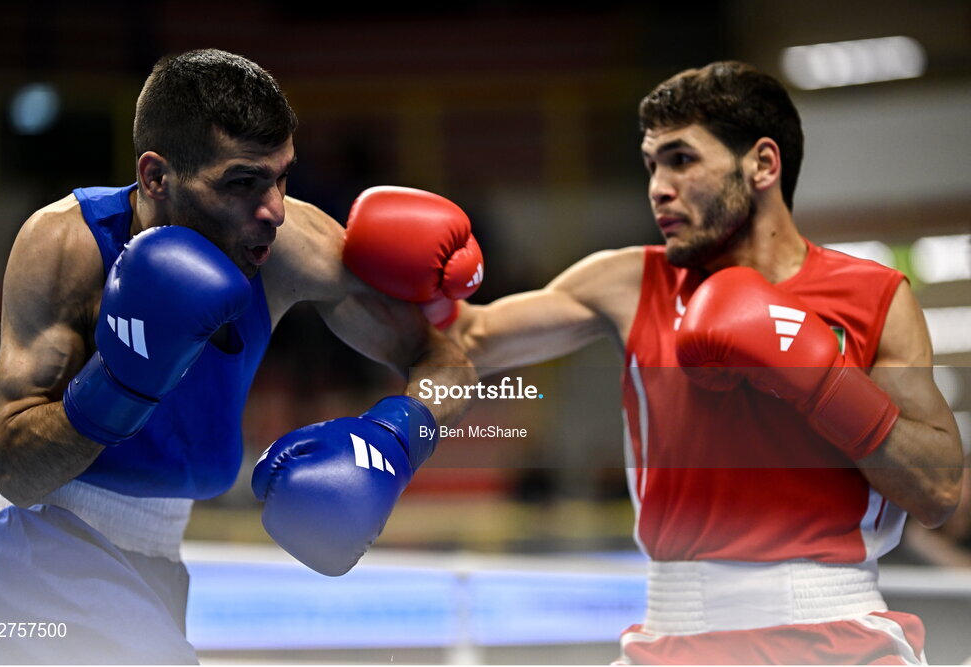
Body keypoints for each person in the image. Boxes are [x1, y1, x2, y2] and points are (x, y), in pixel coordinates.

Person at [343, 61, 964, 664]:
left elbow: (938, 490)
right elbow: (466, 343)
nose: (658, 188)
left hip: (834, 635)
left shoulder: (874, 296)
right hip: (673, 636)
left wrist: (824, 384)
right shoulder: (631, 282)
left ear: (763, 165)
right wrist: (410, 286)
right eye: (650, 164)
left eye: (682, 159)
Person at [0, 49, 481, 665]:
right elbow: (14, 474)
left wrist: (397, 437)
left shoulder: (293, 248)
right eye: (242, 182)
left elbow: (448, 359)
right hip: (38, 555)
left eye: (282, 177)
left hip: (159, 564)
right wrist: (121, 383)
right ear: (156, 177)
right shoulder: (66, 246)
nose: (273, 210)